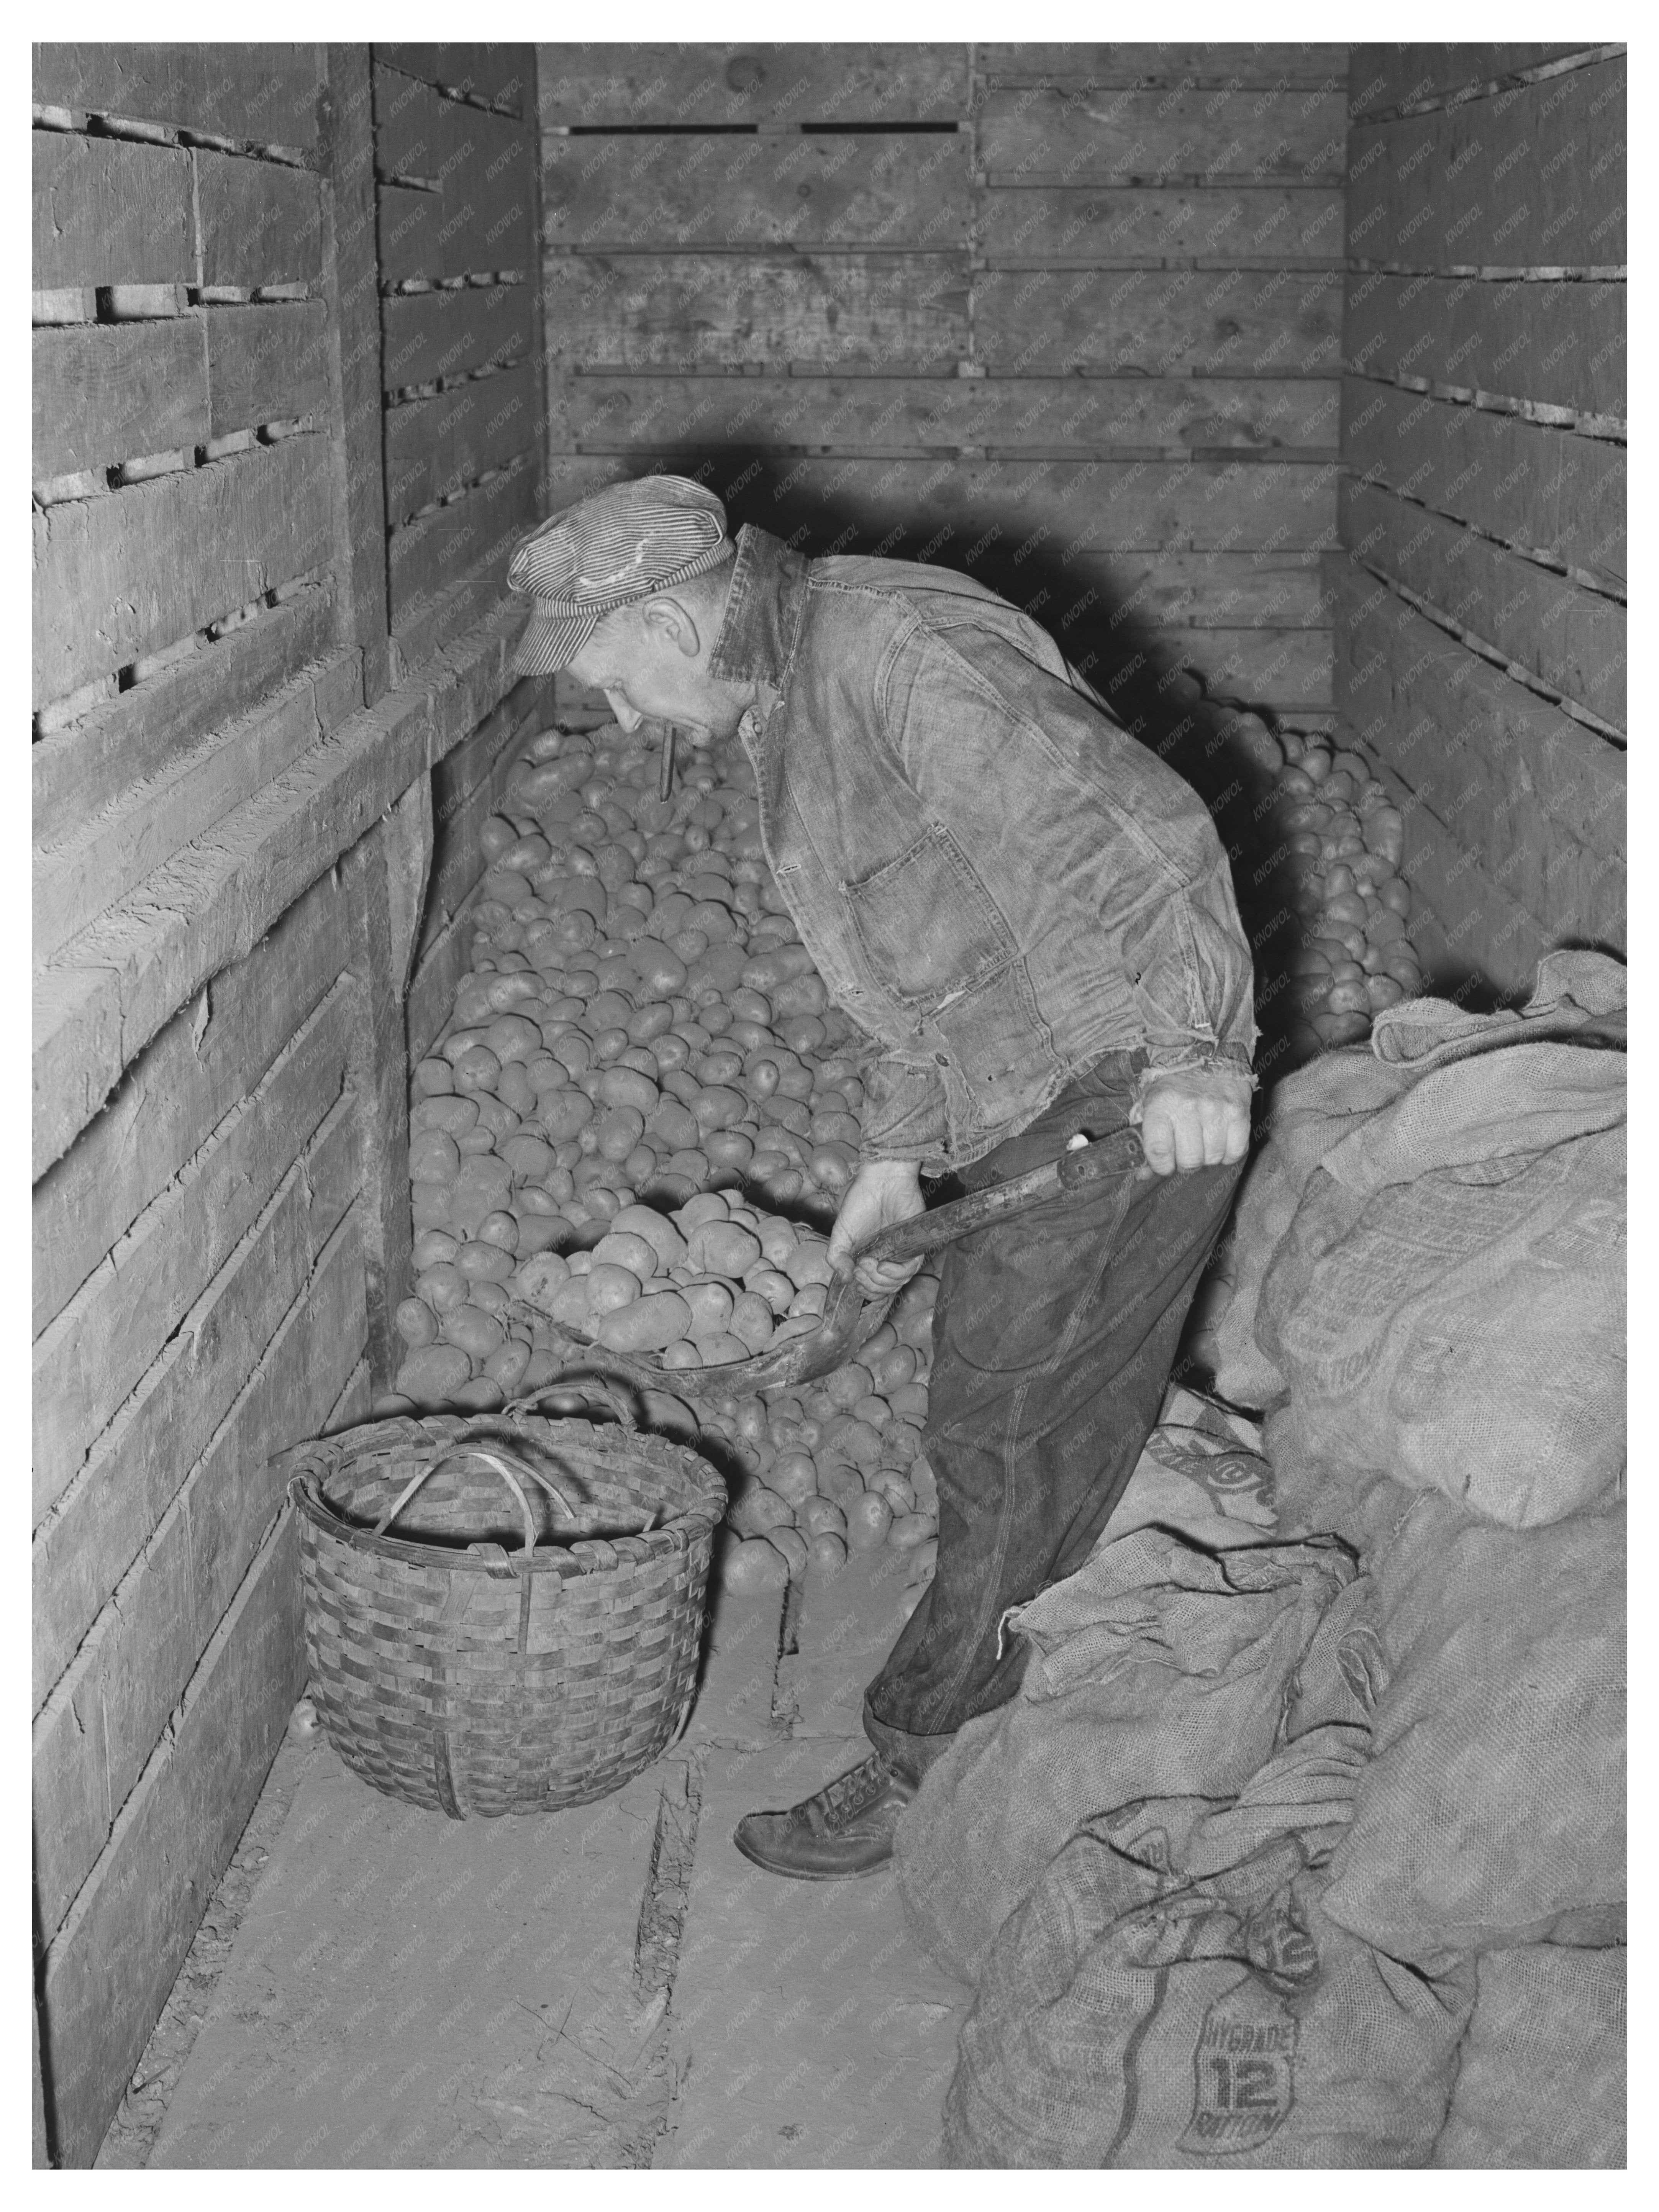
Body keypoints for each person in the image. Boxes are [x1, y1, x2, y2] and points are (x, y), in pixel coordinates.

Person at [507, 475, 1255, 1878]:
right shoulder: (790, 701)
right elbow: (916, 966)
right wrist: (893, 1164)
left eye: (618, 684)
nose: (622, 724)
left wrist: (1197, 1049)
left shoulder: (888, 651)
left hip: (1115, 1084)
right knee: (1019, 1421)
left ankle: (924, 1757)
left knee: (1003, 1427)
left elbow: (1136, 833)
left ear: (674, 618)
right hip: (1020, 1088)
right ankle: (1035, 1693)